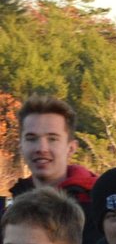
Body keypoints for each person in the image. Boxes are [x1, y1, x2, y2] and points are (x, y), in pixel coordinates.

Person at [10, 95, 97, 231]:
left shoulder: (98, 209)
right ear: (21, 146)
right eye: (32, 139)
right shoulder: (10, 215)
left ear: (71, 148)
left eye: (52, 139)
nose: (41, 148)